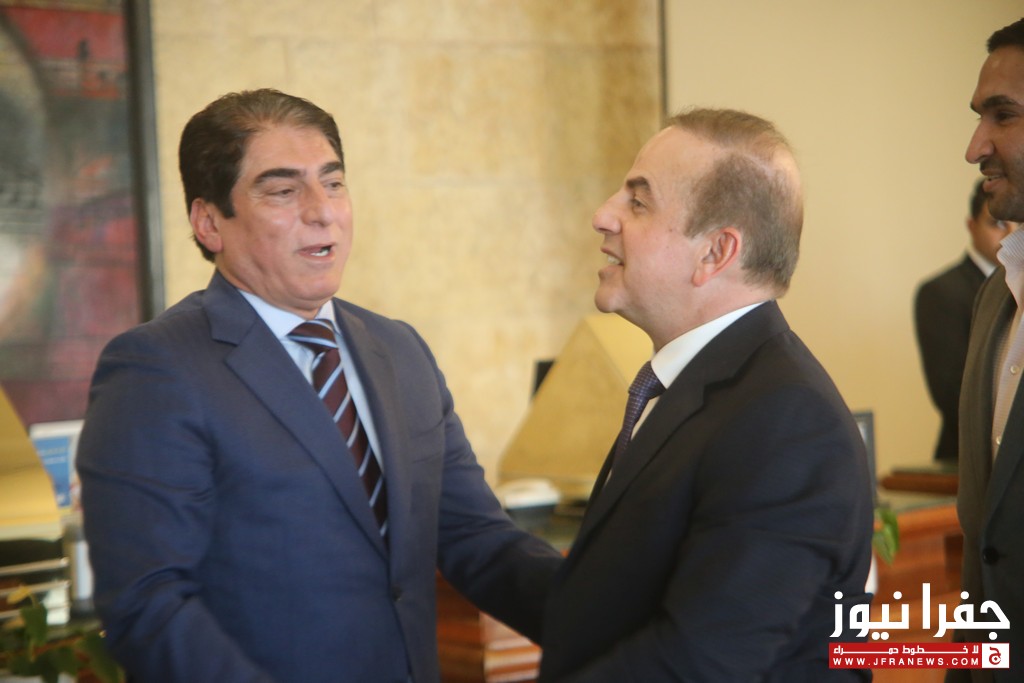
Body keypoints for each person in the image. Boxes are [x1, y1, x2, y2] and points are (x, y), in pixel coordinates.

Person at [76, 89, 563, 683]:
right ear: (209, 223)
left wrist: (621, 621)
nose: (322, 211)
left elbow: (475, 537)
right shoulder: (157, 368)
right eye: (283, 191)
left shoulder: (400, 350)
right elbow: (148, 605)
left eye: (332, 184)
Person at [537, 108, 874, 682]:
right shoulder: (701, 386)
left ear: (715, 253)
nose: (602, 215)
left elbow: (701, 662)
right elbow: (608, 599)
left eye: (637, 202)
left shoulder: (787, 421)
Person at [951, 17, 1024, 683]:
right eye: (979, 117)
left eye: (1003, 115)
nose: (976, 146)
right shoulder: (994, 298)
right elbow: (986, 550)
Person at [914, 180, 1017, 463]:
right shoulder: (941, 292)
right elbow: (952, 394)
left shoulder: (1018, 287)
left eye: (1017, 225)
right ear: (972, 226)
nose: (1010, 234)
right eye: (997, 224)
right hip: (968, 458)